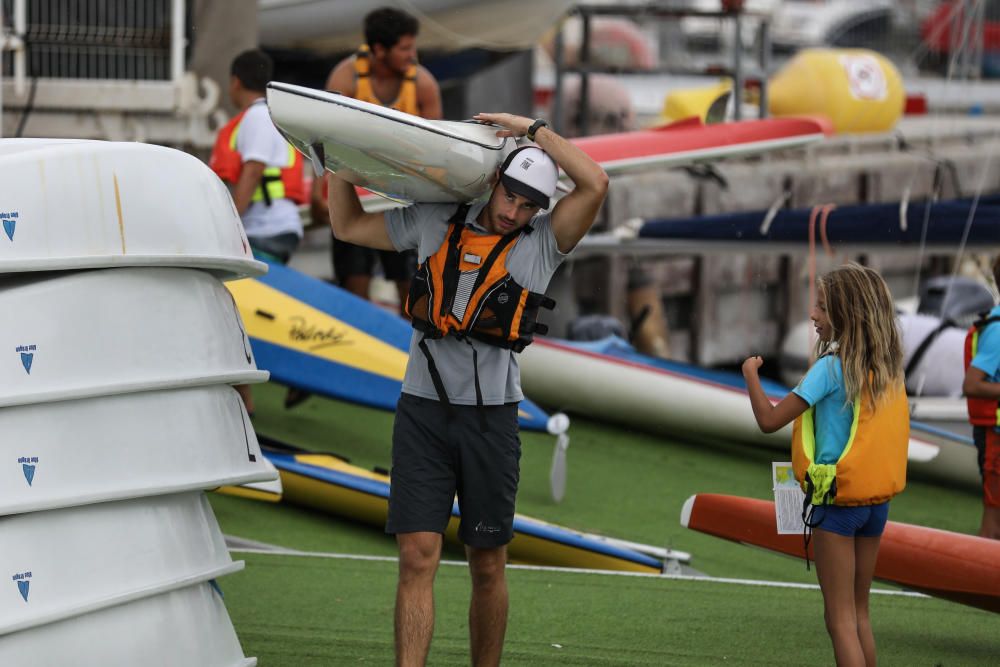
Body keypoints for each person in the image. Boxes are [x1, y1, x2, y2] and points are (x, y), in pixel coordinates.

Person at [327, 113, 608, 667]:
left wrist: (532, 128)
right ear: (493, 182)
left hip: (491, 421)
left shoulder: (543, 246)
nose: (515, 212)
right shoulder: (435, 220)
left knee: (486, 561)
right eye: (511, 197)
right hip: (422, 413)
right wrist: (339, 155)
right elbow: (347, 226)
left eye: (530, 205)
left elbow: (596, 183)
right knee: (417, 556)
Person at [742, 263, 909, 667]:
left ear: (847, 316)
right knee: (860, 613)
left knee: (839, 620)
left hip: (836, 507)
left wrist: (750, 374)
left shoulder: (830, 369)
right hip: (875, 505)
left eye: (822, 308)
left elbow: (769, 421)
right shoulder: (885, 369)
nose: (813, 316)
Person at [319, 6, 442, 305]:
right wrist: (319, 193)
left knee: (412, 291)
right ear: (378, 49)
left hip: (403, 199)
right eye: (405, 48)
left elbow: (439, 151)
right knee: (354, 287)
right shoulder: (345, 80)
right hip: (357, 195)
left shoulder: (423, 85)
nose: (413, 55)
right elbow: (323, 140)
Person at [210, 48, 307, 413]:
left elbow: (251, 172)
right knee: (247, 309)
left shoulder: (256, 117)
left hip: (265, 229)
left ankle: (250, 396)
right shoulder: (276, 116)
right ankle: (253, 390)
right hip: (277, 225)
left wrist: (228, 224)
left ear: (235, 82)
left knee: (233, 310)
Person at [962, 255, 1000, 540]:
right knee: (994, 521)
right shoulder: (998, 331)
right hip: (995, 436)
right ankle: (977, 583)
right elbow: (972, 384)